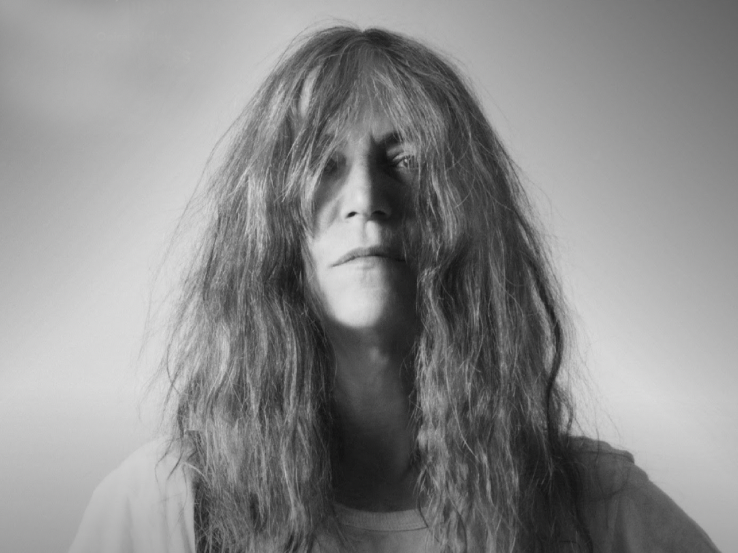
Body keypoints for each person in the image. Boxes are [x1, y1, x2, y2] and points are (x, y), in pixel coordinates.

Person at [69, 26, 720, 553]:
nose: (365, 198)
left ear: (464, 210)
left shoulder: (595, 506)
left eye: (404, 161)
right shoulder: (164, 512)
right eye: (324, 163)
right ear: (269, 227)